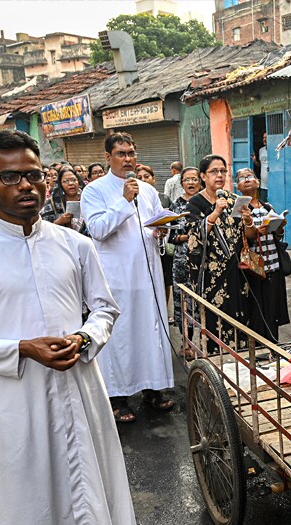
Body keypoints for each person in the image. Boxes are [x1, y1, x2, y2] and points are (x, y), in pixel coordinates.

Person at [0, 130, 141, 525]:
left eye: (33, 175)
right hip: (14, 404)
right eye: (10, 177)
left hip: (79, 391)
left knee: (84, 491)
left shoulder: (74, 244)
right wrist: (21, 349)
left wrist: (84, 337)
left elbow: (105, 308)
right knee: (30, 510)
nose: (26, 186)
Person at [81, 131, 175, 423]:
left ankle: (152, 389)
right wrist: (123, 202)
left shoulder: (146, 190)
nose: (128, 159)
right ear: (108, 157)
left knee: (151, 331)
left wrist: (163, 228)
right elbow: (97, 230)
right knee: (120, 336)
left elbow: (156, 218)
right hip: (117, 277)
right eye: (121, 154)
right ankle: (118, 397)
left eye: (131, 153)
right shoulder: (95, 190)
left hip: (148, 275)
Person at [186, 154, 254, 351]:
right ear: (203, 176)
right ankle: (215, 364)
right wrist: (215, 213)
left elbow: (247, 235)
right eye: (214, 171)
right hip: (211, 275)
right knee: (215, 321)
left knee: (240, 319)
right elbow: (192, 239)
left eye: (223, 171)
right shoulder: (195, 204)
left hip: (237, 272)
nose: (219, 175)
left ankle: (240, 359)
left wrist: (249, 220)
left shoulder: (235, 200)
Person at [237, 167, 290, 344]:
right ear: (238, 186)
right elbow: (245, 237)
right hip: (254, 268)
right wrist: (254, 230)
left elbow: (277, 235)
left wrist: (279, 226)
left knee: (273, 309)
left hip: (273, 265)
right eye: (242, 178)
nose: (246, 179)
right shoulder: (240, 208)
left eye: (249, 176)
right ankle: (259, 347)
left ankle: (272, 346)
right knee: (257, 310)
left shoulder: (268, 207)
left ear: (258, 182)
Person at [169, 166, 200, 357]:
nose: (191, 183)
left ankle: (205, 343)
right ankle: (186, 343)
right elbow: (172, 236)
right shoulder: (176, 206)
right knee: (183, 302)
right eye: (187, 180)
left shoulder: (206, 202)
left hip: (204, 261)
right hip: (182, 260)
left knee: (202, 303)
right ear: (181, 184)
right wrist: (187, 236)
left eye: (194, 179)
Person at [136, 164, 173, 310]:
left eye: (146, 176)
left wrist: (163, 230)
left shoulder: (162, 198)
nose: (143, 180)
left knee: (164, 281)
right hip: (143, 248)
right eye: (139, 177)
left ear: (153, 179)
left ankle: (163, 309)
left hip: (160, 245)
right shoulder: (131, 197)